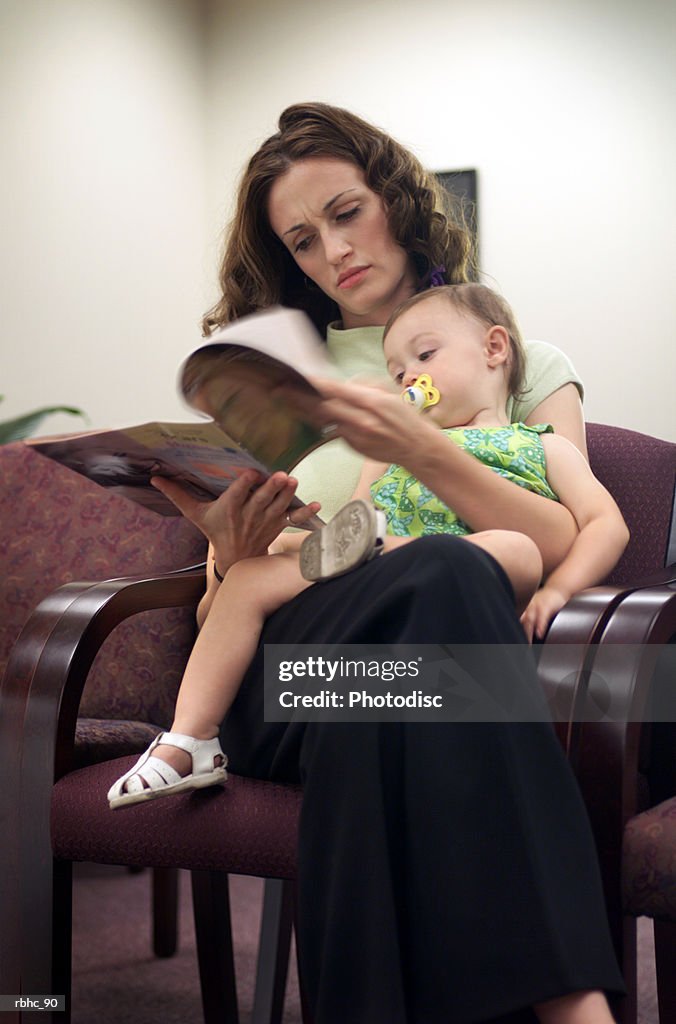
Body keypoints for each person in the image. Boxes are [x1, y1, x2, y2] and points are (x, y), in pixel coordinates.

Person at [113, 103, 627, 1023]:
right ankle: (571, 1001)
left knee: (399, 658)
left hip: (397, 665)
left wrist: (427, 451)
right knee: (432, 598)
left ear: (395, 198)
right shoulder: (279, 384)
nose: (333, 252)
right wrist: (225, 558)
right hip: (282, 676)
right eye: (303, 241)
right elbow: (213, 618)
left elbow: (557, 542)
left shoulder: (514, 359)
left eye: (346, 212)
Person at [107, 282, 628, 810]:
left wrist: (559, 589)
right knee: (248, 575)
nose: (410, 378)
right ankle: (188, 738)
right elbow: (358, 524)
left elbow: (606, 524)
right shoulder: (385, 455)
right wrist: (292, 531)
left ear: (495, 349)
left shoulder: (539, 443)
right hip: (375, 577)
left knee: (514, 548)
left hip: (469, 578)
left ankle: (380, 556)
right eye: (398, 373)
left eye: (425, 356)